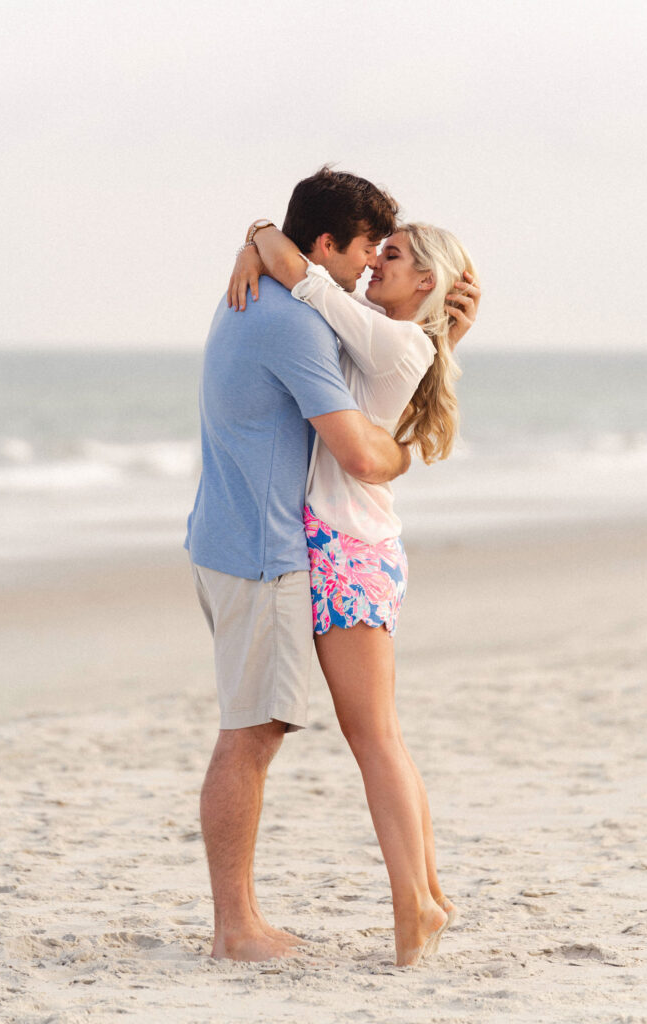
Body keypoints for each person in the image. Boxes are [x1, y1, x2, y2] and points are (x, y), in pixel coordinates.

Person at [227, 218, 480, 966]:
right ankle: (427, 894)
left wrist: (258, 237)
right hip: (357, 546)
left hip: (345, 549)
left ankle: (418, 906)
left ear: (424, 282)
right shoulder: (392, 334)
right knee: (380, 737)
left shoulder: (391, 338)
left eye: (391, 257)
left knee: (373, 739)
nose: (373, 266)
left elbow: (298, 273)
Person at [185, 167, 413, 964]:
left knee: (254, 728)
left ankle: (239, 918)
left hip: (224, 536)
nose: (364, 270)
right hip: (261, 552)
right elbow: (357, 453)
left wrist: (256, 235)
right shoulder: (294, 323)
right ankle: (234, 929)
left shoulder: (252, 292)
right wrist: (410, 451)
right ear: (323, 245)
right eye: (360, 253)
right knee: (250, 734)